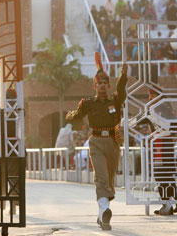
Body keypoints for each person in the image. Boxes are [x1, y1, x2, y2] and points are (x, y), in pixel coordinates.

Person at [66, 52, 127, 231]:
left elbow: (122, 91)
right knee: (100, 178)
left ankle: (102, 215)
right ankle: (105, 210)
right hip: (96, 142)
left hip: (113, 142)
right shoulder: (88, 103)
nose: (101, 85)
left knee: (108, 179)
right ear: (94, 85)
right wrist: (70, 116)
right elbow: (76, 115)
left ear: (108, 85)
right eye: (98, 83)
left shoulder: (115, 100)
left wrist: (123, 76)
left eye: (104, 83)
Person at [146, 88, 177, 215]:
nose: (150, 99)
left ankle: (168, 203)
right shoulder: (154, 109)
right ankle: (175, 200)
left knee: (162, 174)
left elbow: (172, 126)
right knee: (162, 175)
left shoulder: (163, 109)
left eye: (152, 96)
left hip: (164, 144)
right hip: (160, 143)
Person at [0, 87, 20, 215]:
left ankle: (2, 199)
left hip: (2, 149)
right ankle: (13, 204)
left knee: (1, 176)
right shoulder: (19, 110)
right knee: (14, 178)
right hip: (15, 149)